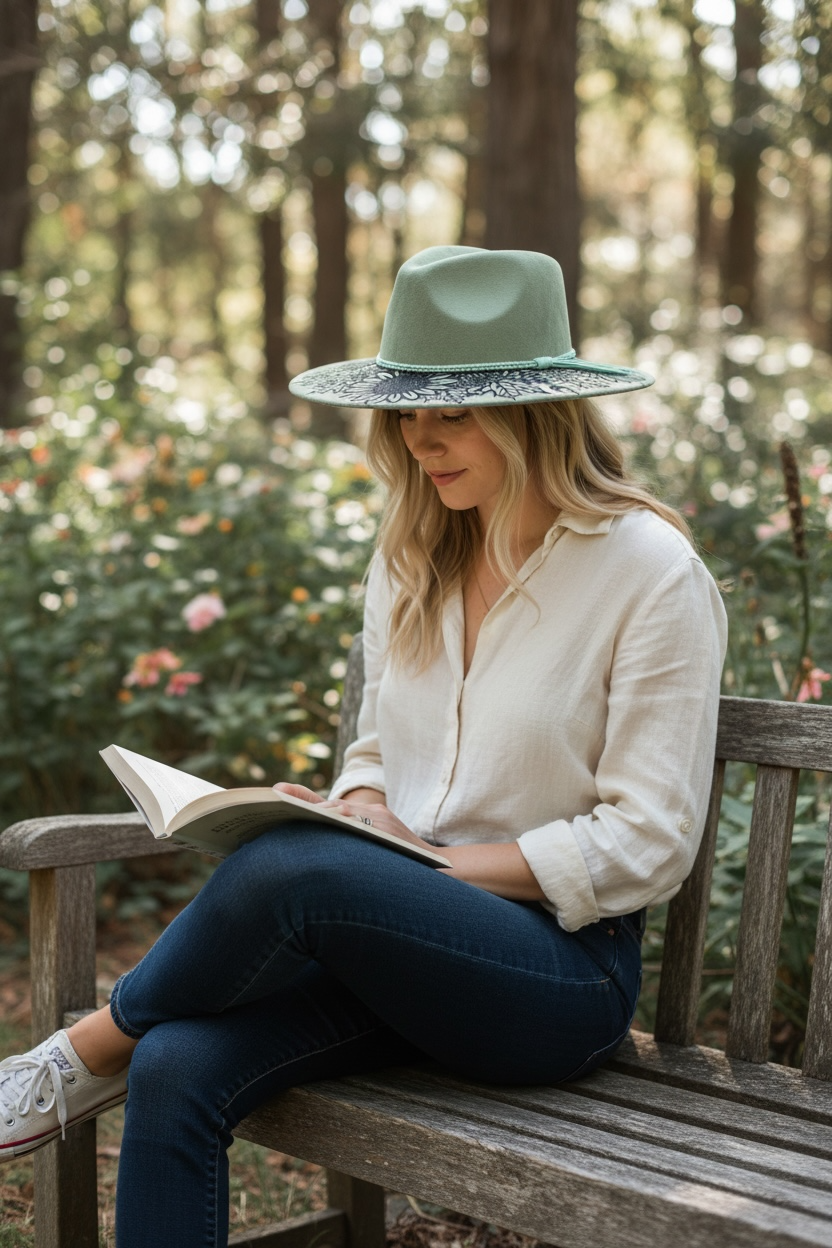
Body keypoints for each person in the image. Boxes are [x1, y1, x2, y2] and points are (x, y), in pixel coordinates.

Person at [0, 246, 727, 1248]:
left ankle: (80, 1053)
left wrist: (422, 865)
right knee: (176, 1067)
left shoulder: (649, 574)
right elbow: (377, 749)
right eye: (406, 412)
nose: (420, 441)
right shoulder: (415, 554)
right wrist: (364, 809)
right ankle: (123, 1051)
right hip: (389, 944)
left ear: (534, 411)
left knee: (292, 871)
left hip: (555, 977)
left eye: (451, 412)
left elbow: (647, 842)